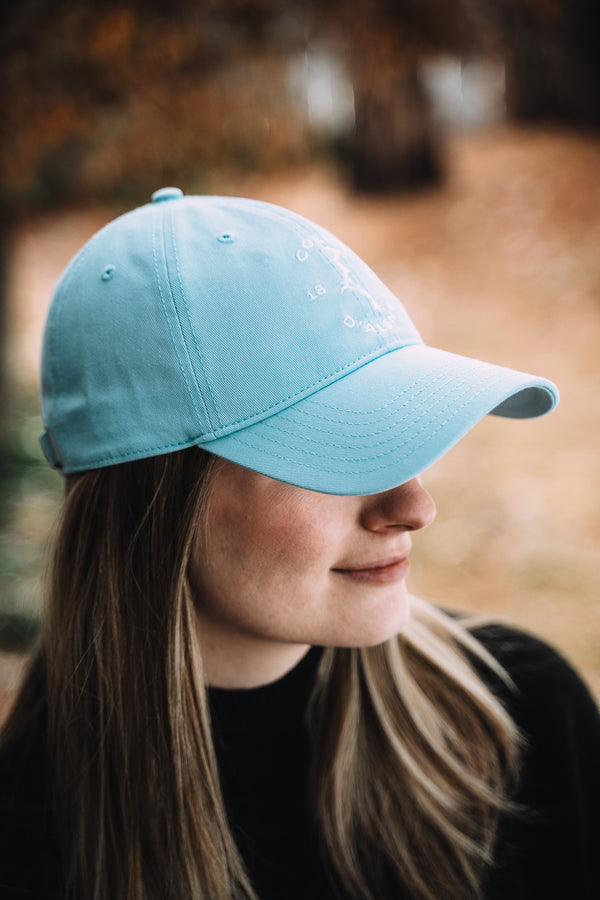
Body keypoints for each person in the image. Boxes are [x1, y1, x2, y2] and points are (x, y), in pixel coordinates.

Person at [0, 188, 598, 900]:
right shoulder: (30, 839)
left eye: (397, 433)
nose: (415, 507)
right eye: (332, 456)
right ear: (154, 508)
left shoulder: (520, 715)